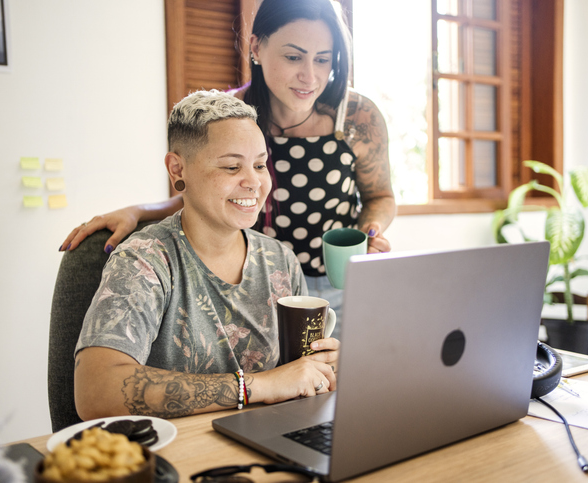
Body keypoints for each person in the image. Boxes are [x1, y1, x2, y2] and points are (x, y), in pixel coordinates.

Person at [60, 0, 395, 324]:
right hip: (252, 277)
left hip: (334, 284)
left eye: (323, 60)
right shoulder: (233, 116)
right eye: (294, 57)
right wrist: (137, 212)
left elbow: (380, 196)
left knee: (334, 379)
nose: (310, 76)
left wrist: (369, 234)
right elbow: (203, 195)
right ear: (256, 48)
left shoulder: (357, 118)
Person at [74, 90, 339, 420]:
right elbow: (96, 391)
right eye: (231, 167)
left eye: (260, 164)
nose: (254, 182)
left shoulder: (280, 261)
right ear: (177, 169)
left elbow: (294, 381)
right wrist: (258, 386)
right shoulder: (144, 261)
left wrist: (321, 371)